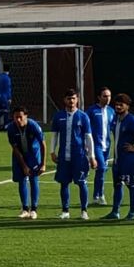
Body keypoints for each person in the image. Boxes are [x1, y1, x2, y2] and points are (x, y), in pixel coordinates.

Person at [49, 89, 93, 220]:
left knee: (82, 182)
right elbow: (54, 135)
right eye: (69, 98)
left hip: (79, 155)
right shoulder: (58, 116)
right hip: (63, 155)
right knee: (64, 183)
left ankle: (84, 211)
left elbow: (88, 137)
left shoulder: (83, 116)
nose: (71, 101)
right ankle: (65, 211)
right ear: (65, 100)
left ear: (77, 99)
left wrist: (92, 156)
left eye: (73, 98)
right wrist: (52, 151)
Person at [104, 93, 134, 221]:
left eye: (121, 105)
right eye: (116, 104)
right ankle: (115, 212)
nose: (118, 107)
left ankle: (132, 212)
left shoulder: (132, 120)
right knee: (117, 185)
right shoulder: (115, 119)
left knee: (131, 185)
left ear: (127, 106)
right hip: (117, 159)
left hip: (128, 159)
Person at [7, 106, 46, 219]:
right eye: (16, 117)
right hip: (19, 155)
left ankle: (34, 209)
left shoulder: (33, 126)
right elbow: (15, 148)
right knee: (21, 180)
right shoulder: (11, 128)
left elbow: (43, 144)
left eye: (20, 117)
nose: (18, 120)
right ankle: (25, 208)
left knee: (33, 179)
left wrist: (43, 164)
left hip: (33, 154)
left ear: (26, 116)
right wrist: (23, 165)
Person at [87, 87, 115, 204]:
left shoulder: (111, 111)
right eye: (105, 96)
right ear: (99, 97)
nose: (108, 98)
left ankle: (96, 196)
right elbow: (85, 128)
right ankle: (101, 195)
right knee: (102, 168)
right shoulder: (92, 111)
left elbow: (113, 127)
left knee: (101, 171)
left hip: (106, 146)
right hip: (96, 145)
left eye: (109, 96)